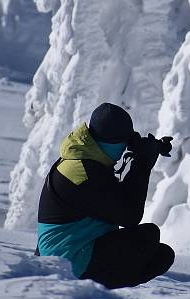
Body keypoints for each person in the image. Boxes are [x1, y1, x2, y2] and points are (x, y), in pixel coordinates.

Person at [35, 102, 175, 289]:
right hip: (66, 262)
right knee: (148, 236)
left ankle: (96, 290)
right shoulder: (81, 173)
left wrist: (148, 149)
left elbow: (116, 198)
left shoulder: (86, 159)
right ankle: (85, 288)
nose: (125, 148)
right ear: (112, 142)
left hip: (72, 252)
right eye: (124, 143)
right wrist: (142, 164)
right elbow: (129, 216)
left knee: (161, 256)